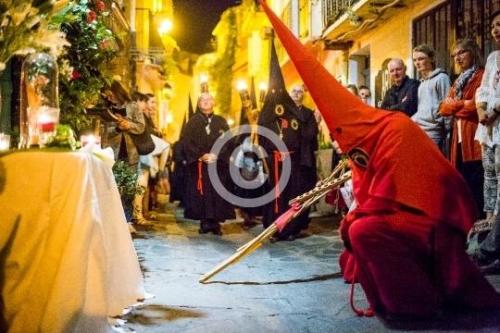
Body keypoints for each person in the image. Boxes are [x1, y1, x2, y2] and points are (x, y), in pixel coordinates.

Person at [259, 0, 500, 319]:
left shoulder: (394, 128)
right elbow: (367, 191)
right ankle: (392, 301)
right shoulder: (363, 141)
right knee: (355, 226)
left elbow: (393, 191)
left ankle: (417, 306)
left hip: (434, 215)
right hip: (402, 210)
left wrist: (358, 214)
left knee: (363, 229)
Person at [258, 42, 318, 242]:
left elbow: (302, 135)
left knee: (292, 195)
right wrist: (273, 151)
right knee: (275, 197)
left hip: (292, 164)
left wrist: (292, 151)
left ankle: (290, 227)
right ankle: (275, 229)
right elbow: (263, 135)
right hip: (276, 164)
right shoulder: (268, 116)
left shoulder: (296, 116)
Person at [439, 39, 484, 219]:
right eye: (454, 54)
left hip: (474, 140)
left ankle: (480, 223)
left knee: (477, 185)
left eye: (462, 52)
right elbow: (443, 109)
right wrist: (461, 104)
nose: (458, 57)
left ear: (473, 52)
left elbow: (477, 106)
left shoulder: (481, 75)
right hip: (457, 143)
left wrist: (455, 105)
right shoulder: (458, 81)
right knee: (464, 186)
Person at [182, 92, 235, 235]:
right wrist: (201, 155)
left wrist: (216, 154)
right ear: (199, 104)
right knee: (202, 194)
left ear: (214, 103)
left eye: (209, 99)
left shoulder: (221, 121)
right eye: (202, 100)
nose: (206, 102)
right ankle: (205, 222)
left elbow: (229, 141)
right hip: (200, 165)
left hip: (218, 165)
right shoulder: (192, 122)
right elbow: (187, 142)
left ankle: (216, 223)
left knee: (218, 193)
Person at [472, 9, 500, 273]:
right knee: (489, 177)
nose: (495, 30)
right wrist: (481, 109)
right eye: (493, 25)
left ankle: (494, 248)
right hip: (487, 130)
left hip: (498, 124)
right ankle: (490, 227)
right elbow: (484, 88)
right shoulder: (493, 57)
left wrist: (494, 112)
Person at [132, 92, 169, 225]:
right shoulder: (137, 115)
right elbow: (142, 131)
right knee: (140, 186)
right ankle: (138, 214)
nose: (151, 106)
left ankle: (140, 213)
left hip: (145, 154)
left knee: (142, 186)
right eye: (148, 102)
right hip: (142, 154)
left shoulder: (141, 115)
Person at [412, 44, 451, 154]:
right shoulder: (422, 83)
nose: (417, 63)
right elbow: (422, 109)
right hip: (420, 130)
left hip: (434, 132)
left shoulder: (441, 78)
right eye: (415, 60)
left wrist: (448, 133)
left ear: (431, 58)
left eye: (421, 59)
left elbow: (447, 106)